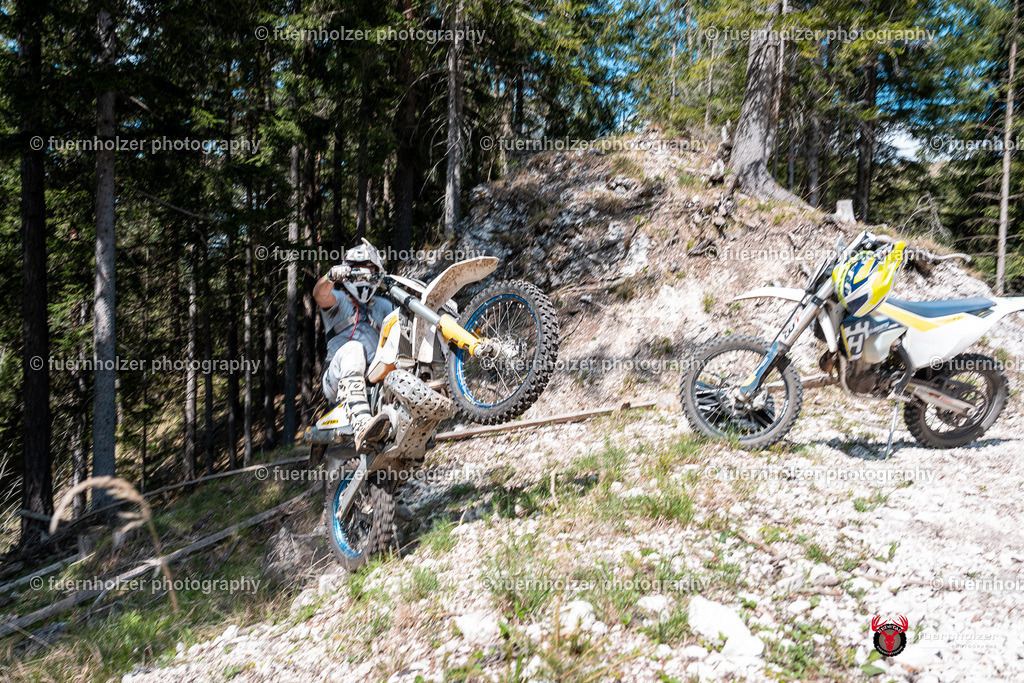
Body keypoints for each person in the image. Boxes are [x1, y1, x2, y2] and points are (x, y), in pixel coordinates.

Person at [313, 242, 396, 452]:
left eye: (370, 270)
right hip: (336, 378)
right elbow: (320, 295)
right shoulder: (340, 300)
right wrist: (330, 277)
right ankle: (361, 425)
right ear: (348, 270)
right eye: (359, 270)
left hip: (375, 381)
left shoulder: (383, 305)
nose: (365, 276)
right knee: (354, 348)